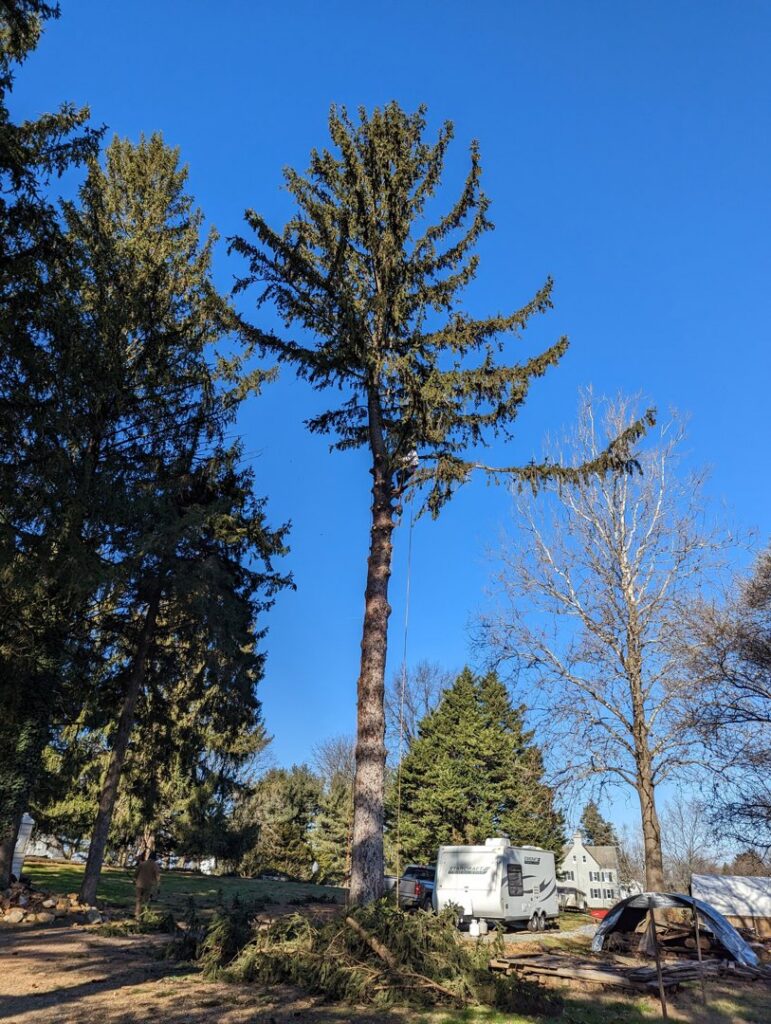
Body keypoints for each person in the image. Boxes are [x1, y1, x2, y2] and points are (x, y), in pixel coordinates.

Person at [134, 851, 161, 918]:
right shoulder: (155, 865)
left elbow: (135, 874)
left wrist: (134, 880)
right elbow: (157, 876)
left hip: (139, 884)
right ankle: (142, 915)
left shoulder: (142, 864)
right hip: (148, 885)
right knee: (145, 900)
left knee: (138, 900)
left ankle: (137, 914)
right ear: (155, 858)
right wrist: (158, 885)